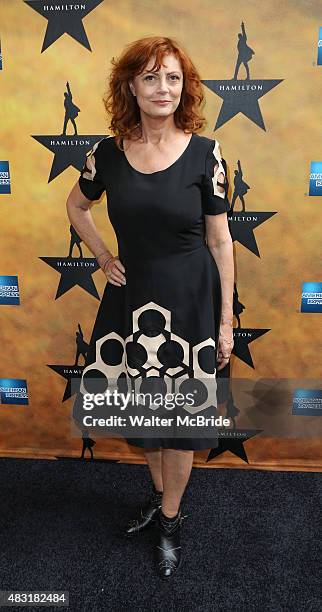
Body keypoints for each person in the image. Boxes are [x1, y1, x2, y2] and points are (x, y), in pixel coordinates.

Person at [66, 36, 234, 580]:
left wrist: (226, 320)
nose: (163, 88)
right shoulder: (107, 153)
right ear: (131, 86)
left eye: (173, 78)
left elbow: (221, 242)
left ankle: (169, 520)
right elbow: (76, 204)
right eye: (150, 77)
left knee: (180, 419)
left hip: (188, 301)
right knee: (142, 410)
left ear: (184, 88)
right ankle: (163, 498)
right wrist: (100, 254)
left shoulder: (207, 155)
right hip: (129, 299)